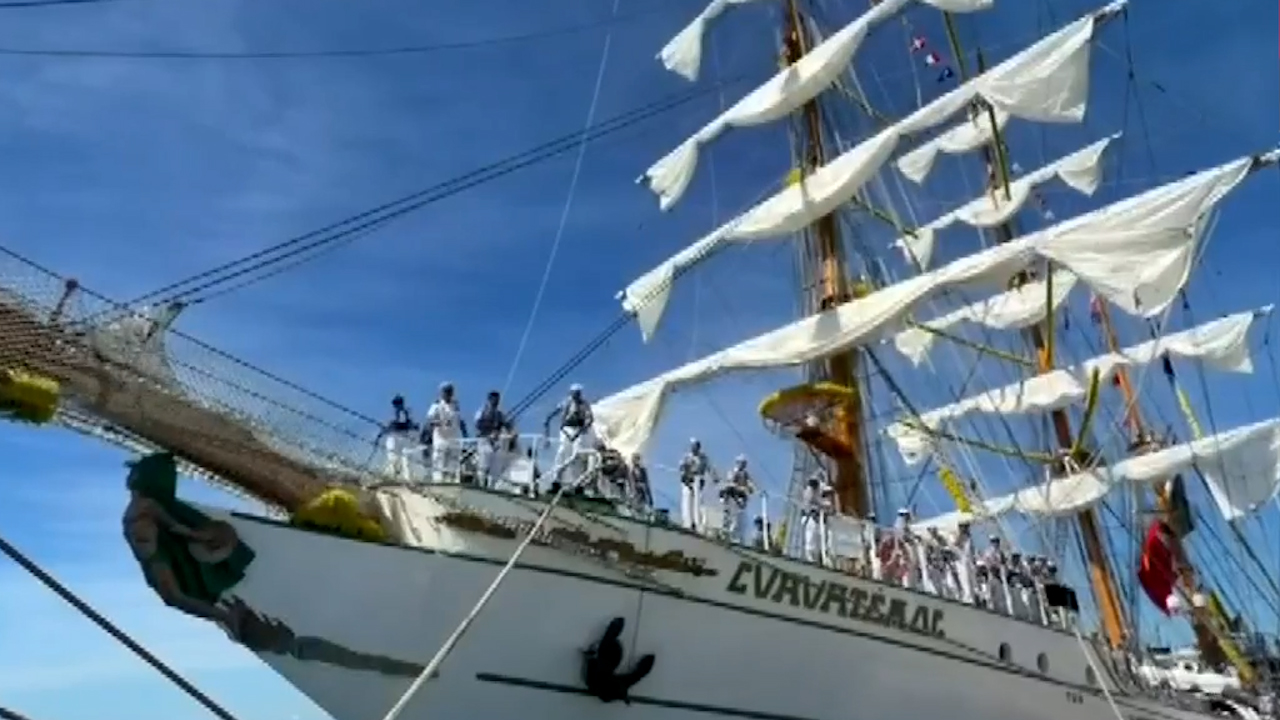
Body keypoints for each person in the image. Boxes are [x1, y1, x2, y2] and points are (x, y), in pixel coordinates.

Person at [544, 383, 595, 486]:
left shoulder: (584, 404)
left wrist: (582, 429)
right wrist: (547, 424)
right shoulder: (565, 402)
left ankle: (577, 482)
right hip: (566, 429)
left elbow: (590, 418)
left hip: (578, 430)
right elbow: (553, 413)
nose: (576, 395)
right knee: (562, 451)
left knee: (577, 454)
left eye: (578, 393)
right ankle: (556, 479)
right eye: (574, 393)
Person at [425, 382, 467, 482]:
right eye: (446, 391)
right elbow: (430, 421)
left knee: (454, 461)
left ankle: (452, 480)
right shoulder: (436, 405)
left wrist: (465, 434)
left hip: (454, 437)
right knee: (439, 460)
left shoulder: (455, 405)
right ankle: (438, 481)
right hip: (441, 437)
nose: (448, 393)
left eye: (450, 391)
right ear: (442, 393)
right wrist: (441, 423)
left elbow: (459, 420)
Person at [473, 391, 512, 488]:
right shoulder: (482, 412)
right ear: (489, 400)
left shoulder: (499, 414)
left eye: (497, 400)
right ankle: (481, 484)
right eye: (494, 399)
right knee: (484, 463)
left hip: (496, 442)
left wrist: (512, 432)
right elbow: (478, 425)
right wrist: (489, 433)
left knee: (496, 466)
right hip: (484, 440)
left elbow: (507, 424)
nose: (496, 402)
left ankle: (491, 486)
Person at [381, 395, 418, 481]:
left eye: (399, 403)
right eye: (396, 403)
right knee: (393, 458)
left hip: (404, 437)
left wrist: (413, 426)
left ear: (402, 403)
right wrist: (386, 428)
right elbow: (386, 426)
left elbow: (412, 424)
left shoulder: (407, 412)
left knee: (406, 458)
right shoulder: (391, 414)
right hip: (393, 437)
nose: (397, 405)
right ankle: (392, 477)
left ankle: (408, 478)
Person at [677, 439, 712, 530]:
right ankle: (687, 522)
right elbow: (681, 467)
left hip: (698, 480)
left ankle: (698, 523)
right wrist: (685, 472)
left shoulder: (703, 458)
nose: (694, 448)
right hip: (688, 480)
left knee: (698, 502)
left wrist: (714, 477)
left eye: (696, 446)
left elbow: (709, 468)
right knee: (687, 501)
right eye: (693, 446)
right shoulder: (687, 457)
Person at [720, 455, 755, 544]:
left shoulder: (746, 475)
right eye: (741, 463)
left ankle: (736, 537)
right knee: (729, 517)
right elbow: (730, 484)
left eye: (744, 463)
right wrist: (740, 488)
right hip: (732, 498)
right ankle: (726, 534)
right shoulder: (732, 472)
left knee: (739, 519)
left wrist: (750, 489)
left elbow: (751, 486)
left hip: (741, 500)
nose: (742, 465)